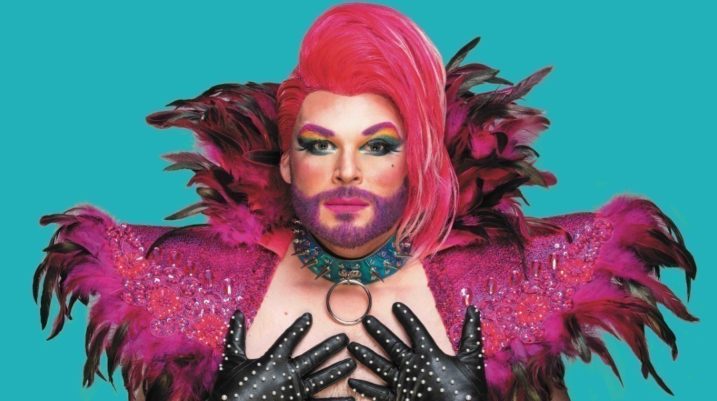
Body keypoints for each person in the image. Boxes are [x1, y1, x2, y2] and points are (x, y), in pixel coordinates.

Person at [32, 3, 696, 401]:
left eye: (377, 146)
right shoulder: (202, 289)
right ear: (287, 163)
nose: (346, 171)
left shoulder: (495, 293)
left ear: (418, 161)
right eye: (320, 145)